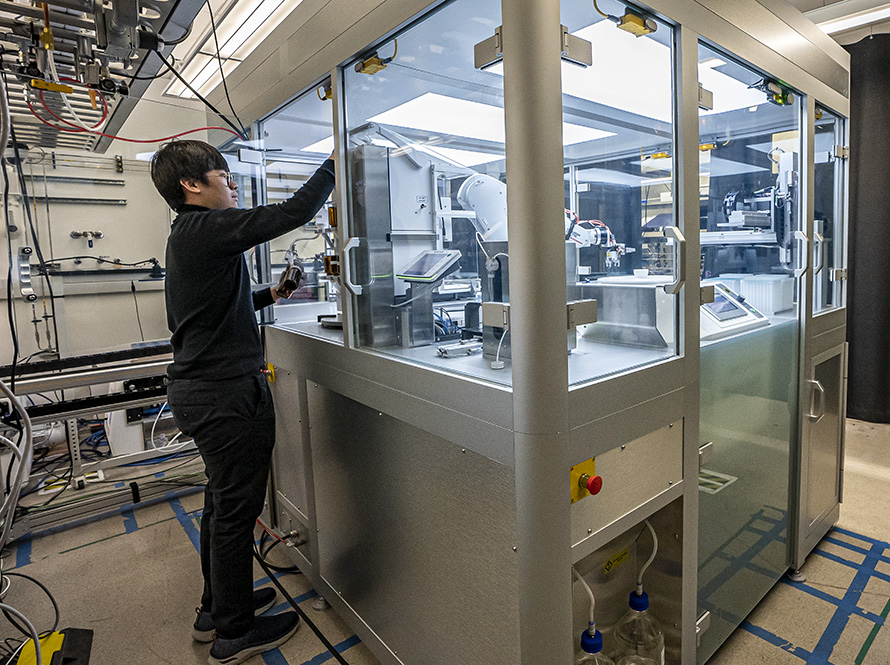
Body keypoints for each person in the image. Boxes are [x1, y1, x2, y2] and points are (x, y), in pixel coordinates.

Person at [150, 140, 335, 665]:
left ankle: (217, 607)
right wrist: (333, 166)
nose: (232, 185)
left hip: (205, 392)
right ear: (192, 185)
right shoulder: (206, 227)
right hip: (225, 395)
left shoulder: (187, 237)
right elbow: (293, 212)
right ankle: (235, 632)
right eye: (224, 175)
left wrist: (270, 297)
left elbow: (211, 305)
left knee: (220, 505)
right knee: (236, 513)